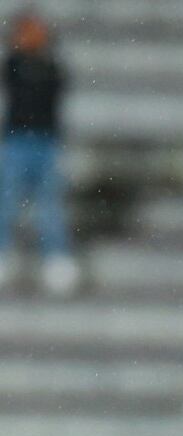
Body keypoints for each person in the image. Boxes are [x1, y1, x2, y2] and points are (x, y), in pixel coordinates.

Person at [0, 8, 76, 295]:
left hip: (45, 141)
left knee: (50, 205)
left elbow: (56, 87)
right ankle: (3, 252)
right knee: (7, 201)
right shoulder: (13, 63)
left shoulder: (51, 66)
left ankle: (55, 258)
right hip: (17, 140)